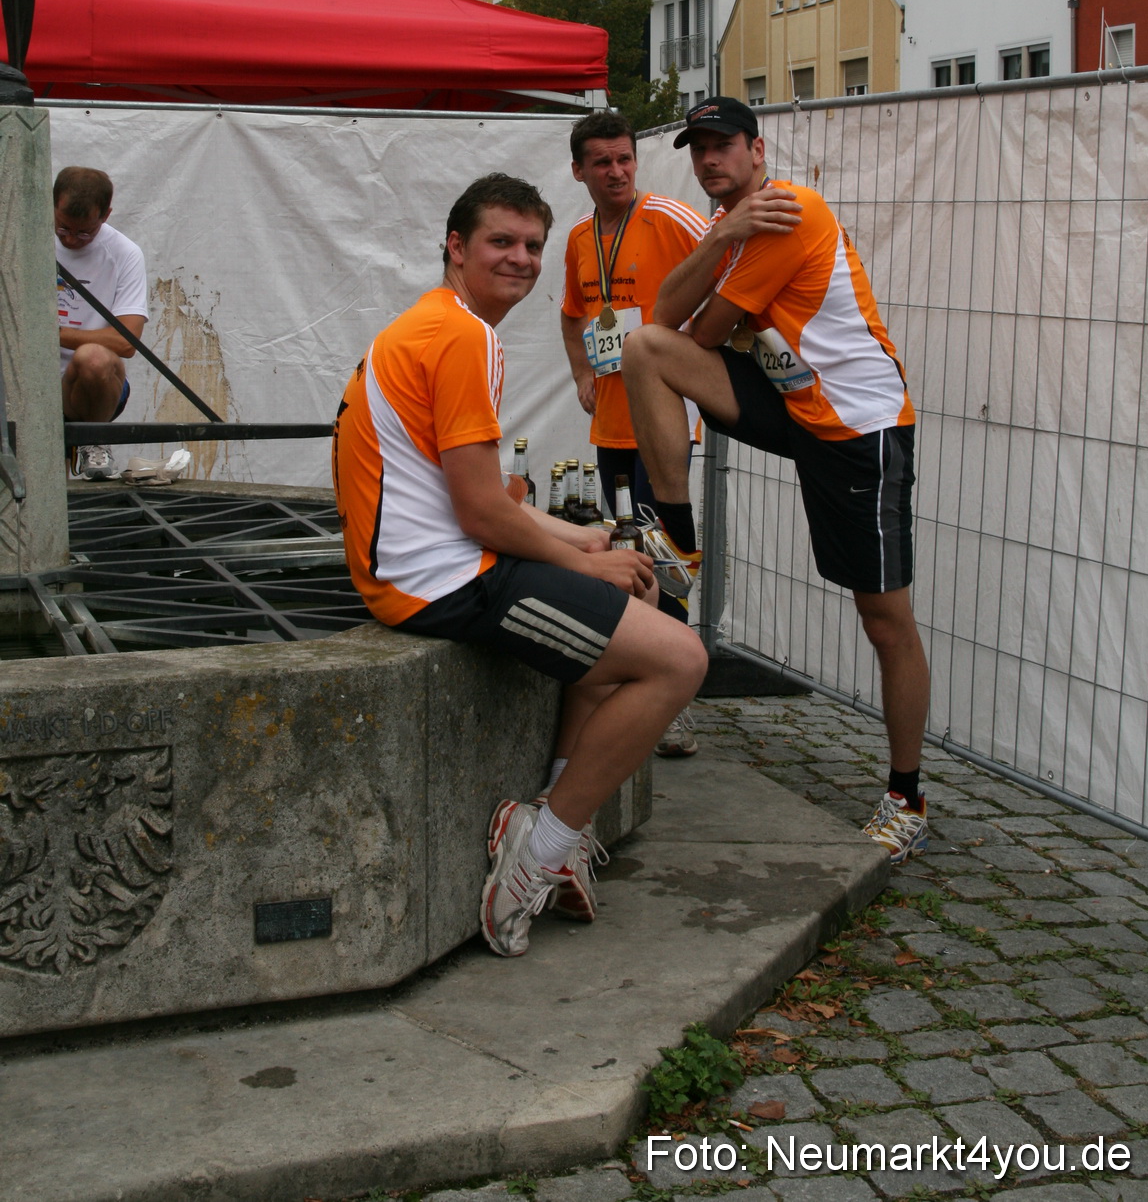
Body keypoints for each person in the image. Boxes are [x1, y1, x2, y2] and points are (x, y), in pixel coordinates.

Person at [332, 172, 706, 958]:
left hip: (426, 564)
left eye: (533, 246)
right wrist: (581, 562)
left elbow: (473, 496)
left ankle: (562, 822)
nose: (521, 259)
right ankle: (539, 846)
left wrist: (582, 543)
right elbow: (480, 512)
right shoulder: (462, 337)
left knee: (623, 596)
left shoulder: (437, 323)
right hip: (438, 584)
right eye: (500, 242)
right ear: (455, 246)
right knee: (680, 659)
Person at [621, 97, 931, 865]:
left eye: (723, 144)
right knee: (643, 350)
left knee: (884, 620)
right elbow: (662, 320)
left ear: (757, 151)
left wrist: (725, 267)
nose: (709, 160)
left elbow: (704, 330)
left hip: (858, 429)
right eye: (697, 148)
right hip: (797, 405)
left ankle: (907, 797)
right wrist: (719, 236)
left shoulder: (788, 211)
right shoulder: (734, 227)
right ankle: (678, 541)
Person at [560, 109, 709, 756]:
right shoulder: (577, 237)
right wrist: (581, 374)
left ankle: (674, 701)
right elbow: (573, 316)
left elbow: (728, 267)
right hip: (610, 427)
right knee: (624, 551)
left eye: (624, 158)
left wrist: (698, 359)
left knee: (665, 553)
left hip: (665, 423)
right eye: (602, 162)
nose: (616, 171)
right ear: (579, 171)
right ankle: (636, 675)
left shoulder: (670, 218)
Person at [54, 166, 148, 480]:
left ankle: (94, 439)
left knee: (93, 358)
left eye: (84, 232)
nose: (71, 239)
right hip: (25, 379)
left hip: (92, 388)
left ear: (106, 216)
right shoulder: (21, 237)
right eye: (62, 228)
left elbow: (127, 342)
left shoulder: (125, 253)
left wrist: (55, 334)